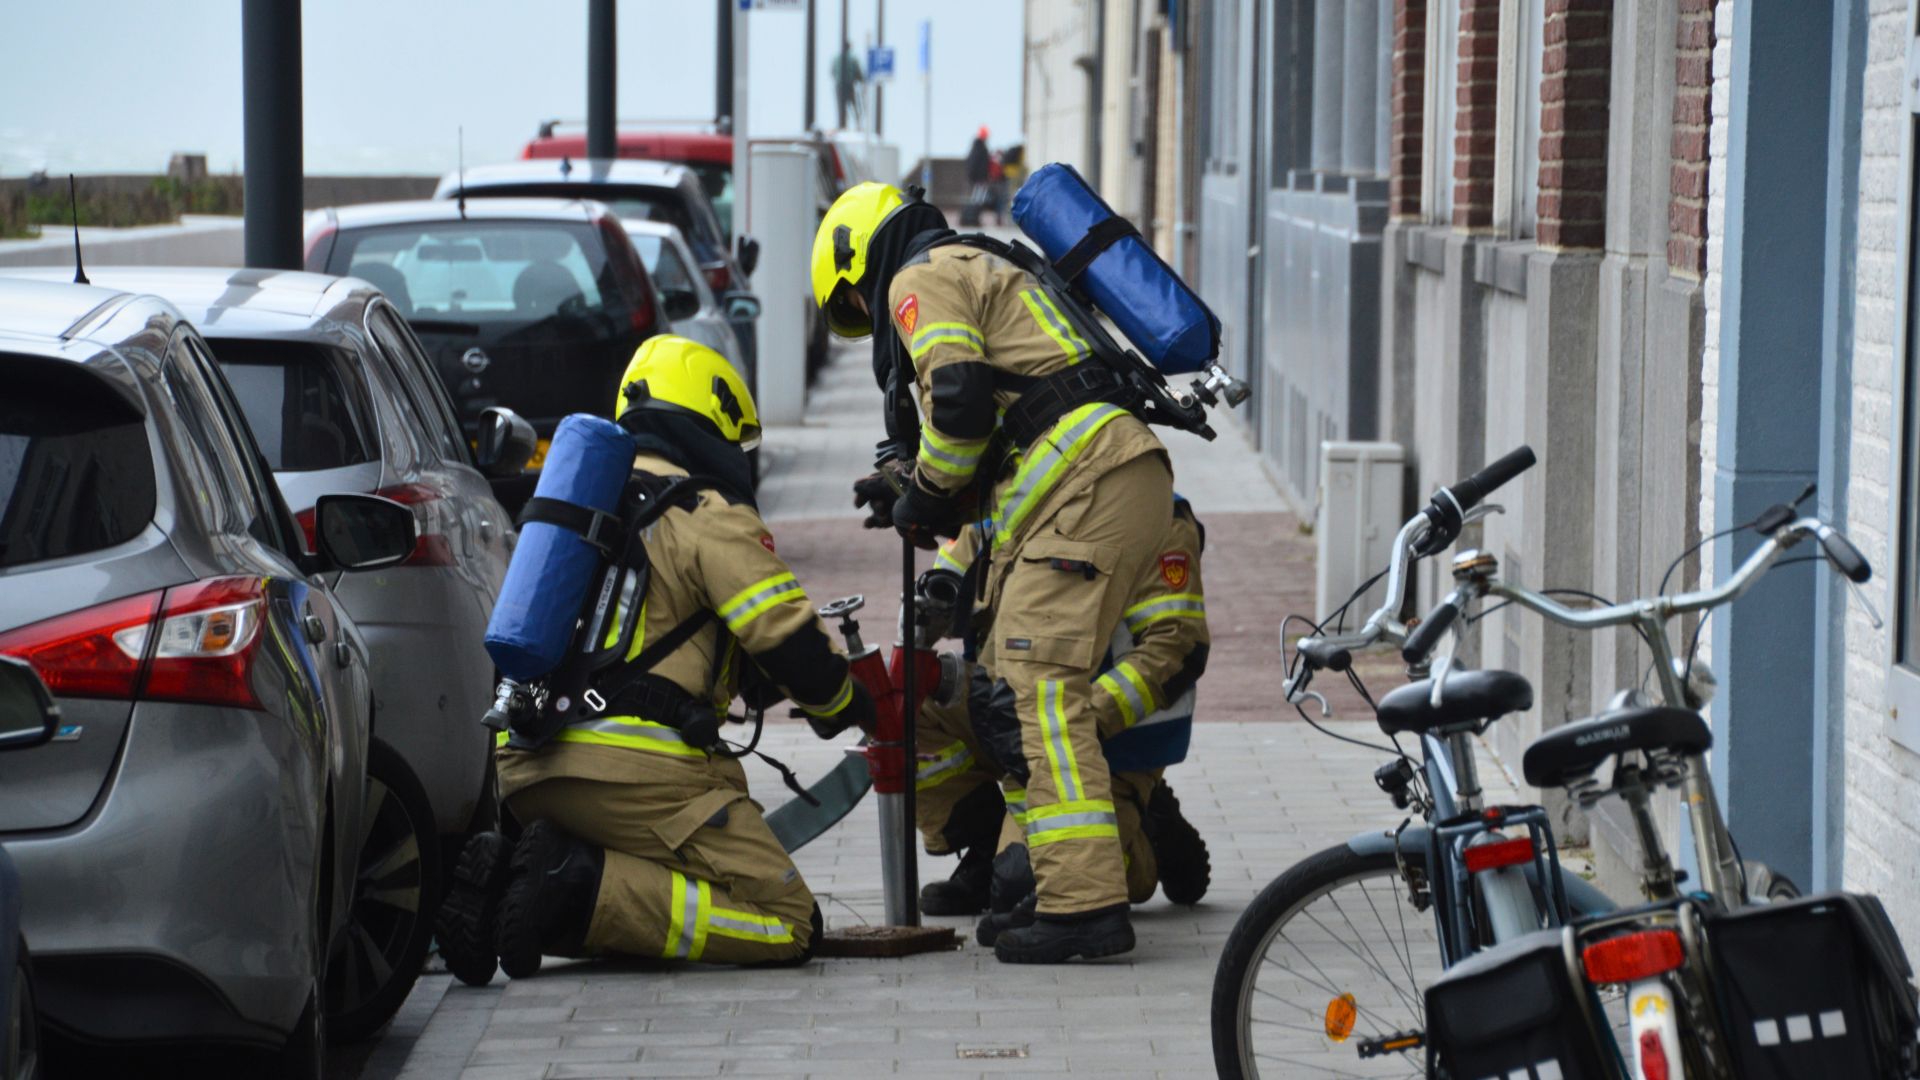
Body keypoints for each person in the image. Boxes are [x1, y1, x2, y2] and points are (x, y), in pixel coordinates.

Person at [811, 182, 1175, 963]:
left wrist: (927, 492)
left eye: (853, 306)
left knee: (1039, 690)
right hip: (1094, 474)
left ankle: (1085, 908)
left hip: (1085, 480)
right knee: (1013, 687)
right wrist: (908, 486)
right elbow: (1007, 405)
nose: (867, 320)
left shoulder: (919, 274)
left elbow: (960, 395)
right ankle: (1049, 884)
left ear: (858, 260)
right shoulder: (979, 264)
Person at [435, 336, 873, 983]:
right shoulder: (704, 512)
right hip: (638, 780)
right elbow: (787, 636)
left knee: (646, 895)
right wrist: (845, 704)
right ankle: (570, 887)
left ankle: (511, 878)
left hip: (525, 774)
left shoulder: (579, 507)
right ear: (714, 417)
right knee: (786, 922)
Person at [913, 498, 1212, 936]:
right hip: (1012, 709)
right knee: (907, 708)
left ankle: (1145, 836)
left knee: (1025, 892)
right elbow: (949, 585)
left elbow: (1177, 646)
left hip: (1108, 736)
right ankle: (987, 846)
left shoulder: (1154, 512)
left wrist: (1076, 721)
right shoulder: (1007, 495)